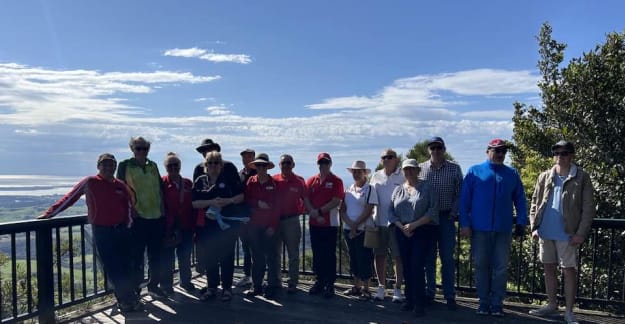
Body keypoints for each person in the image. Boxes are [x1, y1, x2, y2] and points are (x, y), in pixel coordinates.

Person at [38, 154, 141, 312]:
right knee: (114, 267)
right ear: (98, 166)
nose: (108, 167)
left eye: (111, 164)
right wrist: (49, 214)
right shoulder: (90, 182)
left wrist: (128, 225)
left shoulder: (120, 185)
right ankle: (126, 300)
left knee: (126, 266)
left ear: (115, 167)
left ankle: (129, 298)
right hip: (102, 231)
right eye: (104, 164)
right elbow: (69, 198)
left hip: (122, 230)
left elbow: (129, 206)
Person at [528, 140, 595, 324]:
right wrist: (534, 227)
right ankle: (551, 305)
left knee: (569, 271)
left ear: (571, 155)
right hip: (545, 231)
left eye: (564, 153)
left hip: (568, 233)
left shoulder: (581, 177)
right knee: (548, 268)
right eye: (556, 153)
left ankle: (569, 311)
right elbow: (535, 202)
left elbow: (588, 207)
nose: (559, 156)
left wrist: (581, 233)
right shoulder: (544, 176)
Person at [459, 138, 528, 317]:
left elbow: (520, 199)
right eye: (496, 151)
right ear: (487, 151)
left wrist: (521, 221)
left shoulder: (512, 173)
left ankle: (497, 303)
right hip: (479, 229)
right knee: (481, 266)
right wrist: (465, 224)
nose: (499, 154)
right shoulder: (475, 171)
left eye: (503, 151)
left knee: (501, 267)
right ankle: (483, 302)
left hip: (503, 229)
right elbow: (464, 200)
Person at [192, 151, 246, 302]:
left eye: (216, 162)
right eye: (210, 162)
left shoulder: (229, 179)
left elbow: (241, 196)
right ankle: (212, 287)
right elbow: (194, 203)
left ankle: (227, 288)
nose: (213, 165)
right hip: (207, 227)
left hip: (226, 226)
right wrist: (211, 202)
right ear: (205, 165)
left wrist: (227, 201)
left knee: (227, 257)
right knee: (210, 258)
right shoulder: (200, 181)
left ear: (221, 165)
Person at [116, 136, 167, 298]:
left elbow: (159, 188)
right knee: (136, 257)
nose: (142, 151)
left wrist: (163, 209)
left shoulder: (153, 166)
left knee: (156, 256)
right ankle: (135, 289)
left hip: (156, 217)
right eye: (138, 148)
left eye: (145, 148)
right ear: (132, 149)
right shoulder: (125, 165)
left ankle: (153, 286)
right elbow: (120, 190)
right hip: (138, 218)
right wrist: (130, 212)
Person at [390, 159, 438, 317]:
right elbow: (391, 212)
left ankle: (419, 302)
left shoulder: (427, 187)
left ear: (418, 170)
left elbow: (432, 211)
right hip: (402, 231)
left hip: (422, 231)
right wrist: (401, 227)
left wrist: (414, 225)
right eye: (406, 169)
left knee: (417, 266)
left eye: (412, 169)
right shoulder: (398, 190)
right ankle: (409, 299)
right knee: (407, 266)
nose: (409, 172)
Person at [419, 137, 463, 310]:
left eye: (439, 147)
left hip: (446, 218)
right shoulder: (421, 168)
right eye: (433, 148)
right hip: (427, 220)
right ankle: (430, 293)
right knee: (429, 258)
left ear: (444, 149)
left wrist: (453, 213)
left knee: (447, 258)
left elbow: (460, 193)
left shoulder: (454, 168)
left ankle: (449, 295)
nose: (436, 151)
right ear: (429, 150)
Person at [304, 152, 344, 298]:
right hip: (315, 224)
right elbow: (306, 198)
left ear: (330, 164)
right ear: (318, 164)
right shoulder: (311, 180)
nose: (323, 165)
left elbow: (336, 201)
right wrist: (313, 212)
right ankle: (319, 281)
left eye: (326, 162)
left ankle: (330, 284)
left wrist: (319, 212)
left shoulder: (336, 180)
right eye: (321, 163)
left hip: (330, 224)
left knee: (329, 254)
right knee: (317, 254)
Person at [244, 153, 281, 299]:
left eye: (263, 165)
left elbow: (278, 207)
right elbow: (246, 201)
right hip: (254, 226)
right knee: (257, 258)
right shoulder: (250, 182)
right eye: (258, 165)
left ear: (267, 167)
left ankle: (271, 286)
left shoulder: (274, 184)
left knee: (271, 257)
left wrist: (273, 226)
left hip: (269, 227)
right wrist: (257, 203)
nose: (260, 168)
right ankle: (257, 286)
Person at [339, 160, 378, 301]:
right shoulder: (348, 189)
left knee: (365, 258)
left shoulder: (370, 189)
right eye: (354, 171)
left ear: (364, 173)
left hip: (363, 230)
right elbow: (342, 210)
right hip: (349, 230)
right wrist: (350, 225)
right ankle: (356, 286)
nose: (356, 174)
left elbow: (369, 210)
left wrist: (355, 225)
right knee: (353, 258)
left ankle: (367, 289)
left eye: (359, 171)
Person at [369, 148, 404, 302]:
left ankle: (397, 288)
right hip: (380, 222)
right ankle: (381, 287)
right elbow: (371, 199)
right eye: (384, 157)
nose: (387, 159)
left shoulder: (403, 175)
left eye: (390, 157)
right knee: (379, 256)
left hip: (397, 224)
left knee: (398, 257)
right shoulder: (376, 176)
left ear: (396, 159)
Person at [160, 153, 196, 293]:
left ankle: (185, 282)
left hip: (186, 226)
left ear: (180, 166)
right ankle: (167, 285)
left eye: (176, 165)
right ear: (166, 167)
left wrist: (194, 227)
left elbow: (193, 204)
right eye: (170, 165)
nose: (173, 168)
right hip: (168, 228)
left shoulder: (187, 183)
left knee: (185, 257)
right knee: (168, 259)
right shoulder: (162, 183)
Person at [273, 154, 307, 294]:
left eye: (288, 163)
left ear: (293, 164)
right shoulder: (274, 180)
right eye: (283, 163)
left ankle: (293, 282)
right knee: (275, 253)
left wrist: (309, 211)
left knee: (293, 254)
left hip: (292, 220)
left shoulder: (299, 181)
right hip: (275, 221)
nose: (285, 165)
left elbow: (305, 199)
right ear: (279, 165)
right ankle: (276, 281)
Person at [235, 148, 256, 288]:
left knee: (256, 247)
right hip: (242, 217)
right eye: (244, 157)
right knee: (246, 247)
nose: (246, 159)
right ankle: (248, 275)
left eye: (249, 157)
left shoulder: (259, 172)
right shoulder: (239, 174)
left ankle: (257, 277)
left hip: (256, 217)